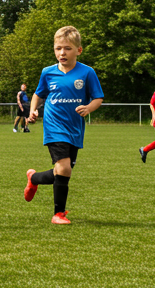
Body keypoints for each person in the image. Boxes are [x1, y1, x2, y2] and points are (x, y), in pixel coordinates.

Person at [23, 26, 105, 225]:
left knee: (63, 171)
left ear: (79, 50)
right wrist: (33, 110)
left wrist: (88, 108)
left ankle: (33, 179)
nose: (62, 53)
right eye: (58, 48)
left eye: (67, 48)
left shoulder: (87, 72)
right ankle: (58, 214)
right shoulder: (47, 72)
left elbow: (98, 97)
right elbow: (38, 95)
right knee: (64, 168)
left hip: (75, 128)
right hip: (54, 126)